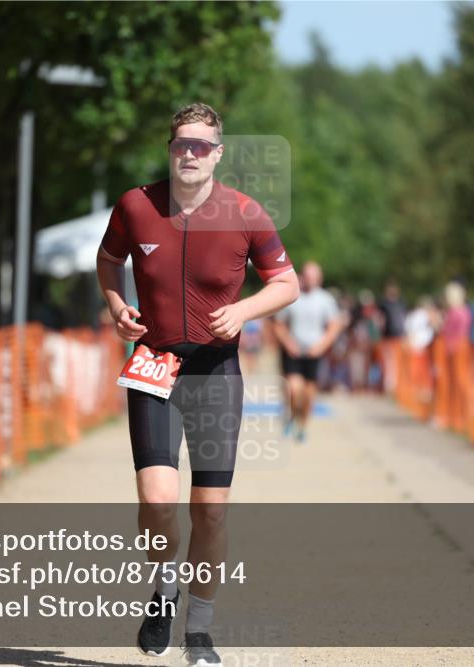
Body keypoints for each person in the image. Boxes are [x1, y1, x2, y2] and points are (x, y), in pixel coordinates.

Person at [95, 102, 299, 666]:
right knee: (157, 502)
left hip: (215, 372)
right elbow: (107, 259)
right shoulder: (136, 206)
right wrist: (116, 305)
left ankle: (201, 626)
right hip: (154, 364)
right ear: (170, 148)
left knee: (210, 511)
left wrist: (246, 311)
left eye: (202, 145)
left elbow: (288, 283)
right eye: (182, 143)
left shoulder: (245, 212)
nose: (191, 153)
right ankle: (163, 588)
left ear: (218, 154)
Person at [273, 261, 344, 443]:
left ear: (319, 279)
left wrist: (322, 345)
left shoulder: (326, 300)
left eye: (314, 277)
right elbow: (279, 324)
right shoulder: (292, 296)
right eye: (308, 276)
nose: (310, 280)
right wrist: (289, 344)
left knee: (309, 395)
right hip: (294, 352)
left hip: (314, 353)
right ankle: (290, 416)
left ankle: (302, 426)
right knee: (294, 390)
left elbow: (335, 326)